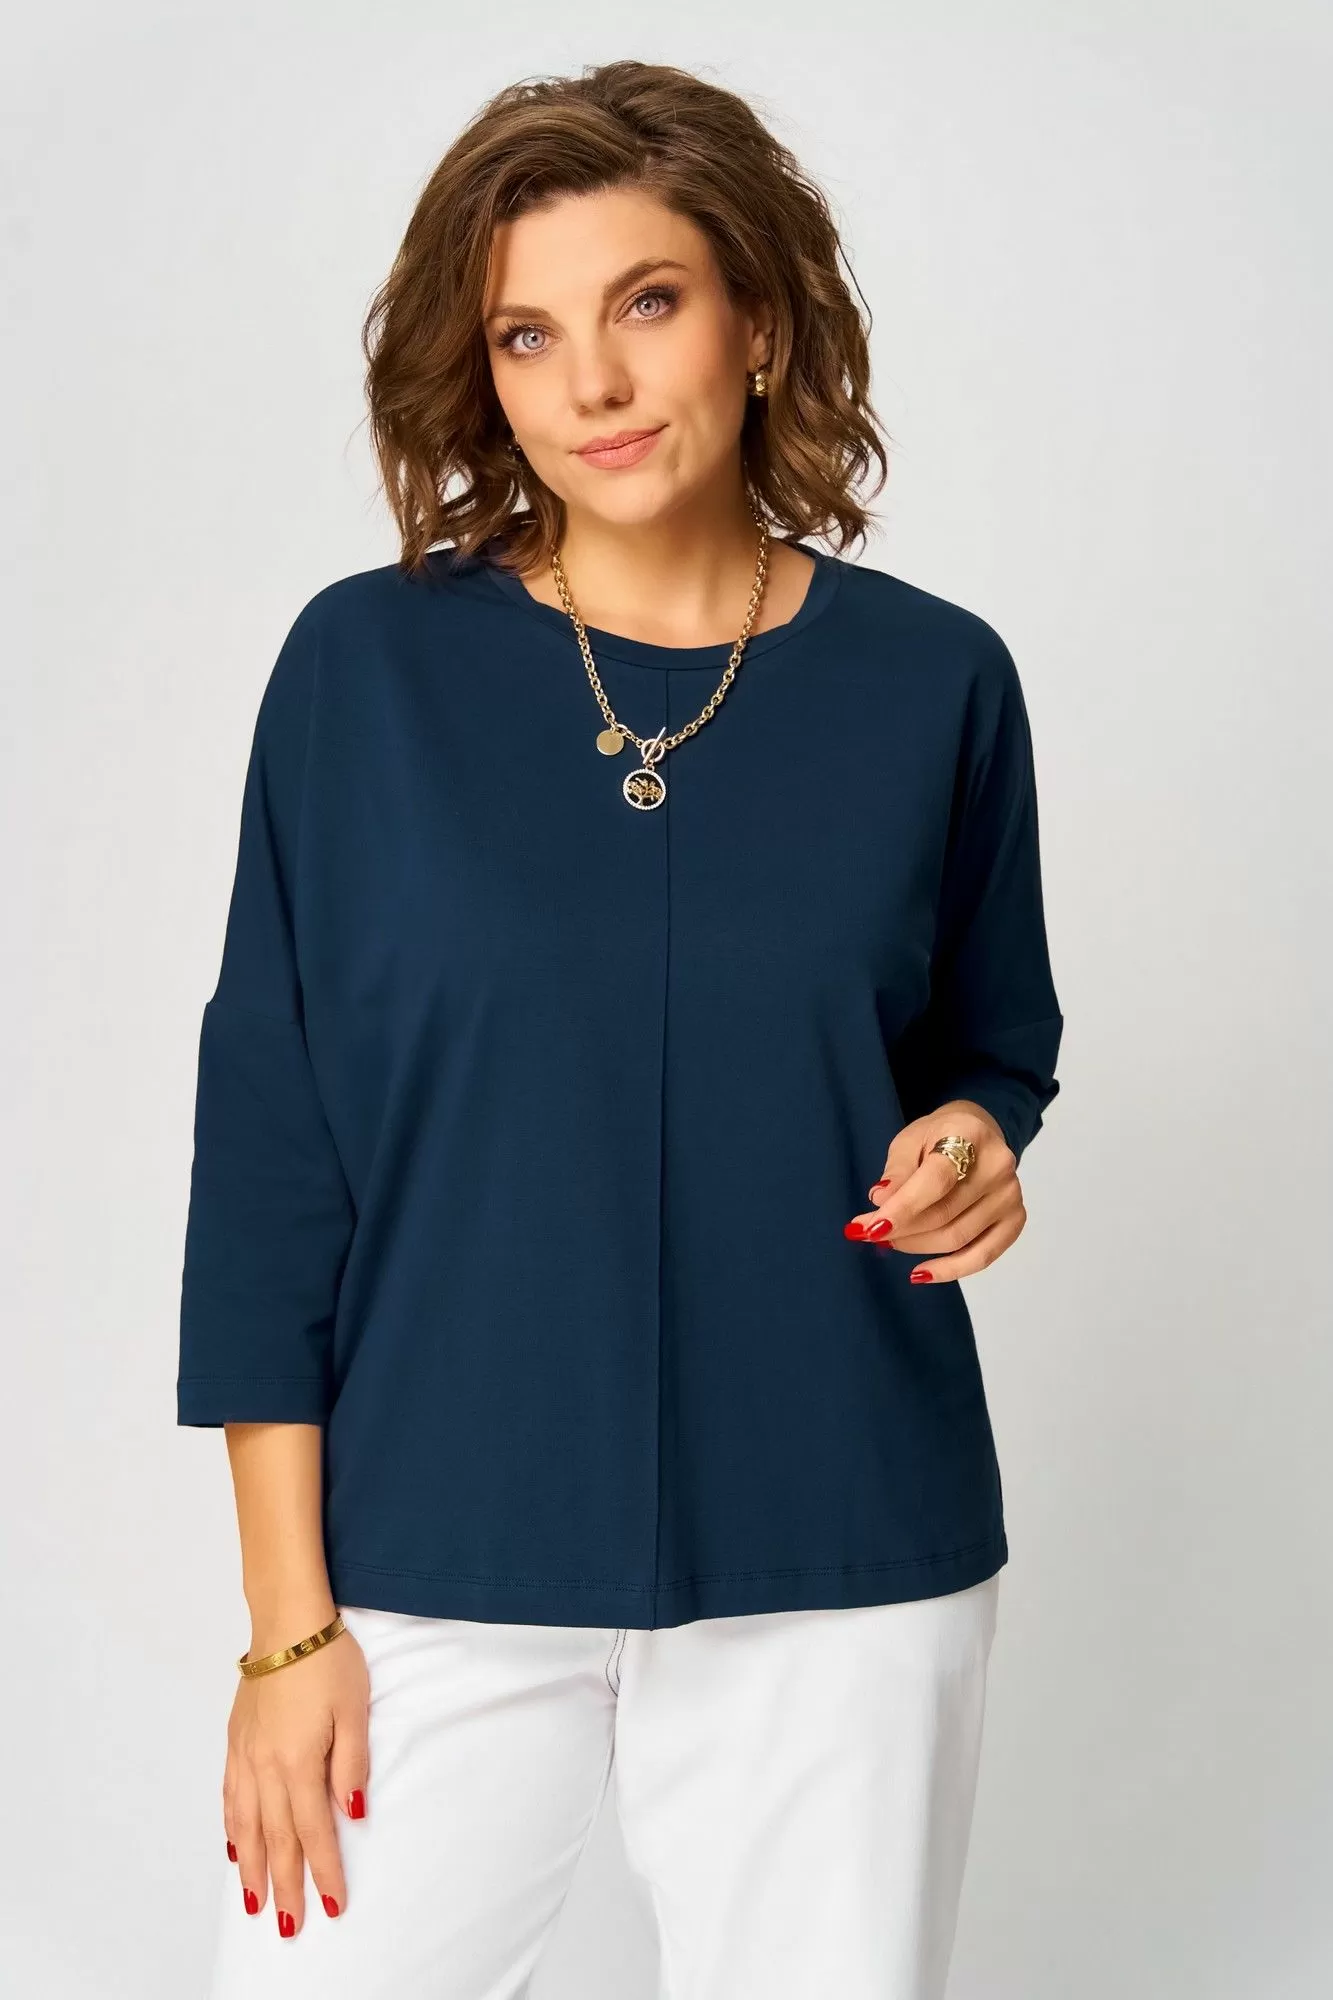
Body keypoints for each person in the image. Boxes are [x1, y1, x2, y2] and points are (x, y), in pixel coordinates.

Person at [177, 57, 1064, 2000]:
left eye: (647, 301)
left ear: (760, 320)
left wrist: (976, 1143)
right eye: (527, 333)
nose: (593, 380)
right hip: (430, 1536)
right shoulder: (365, 671)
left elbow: (992, 1048)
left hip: (840, 1534)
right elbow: (269, 1159)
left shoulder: (936, 684)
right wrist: (286, 1626)